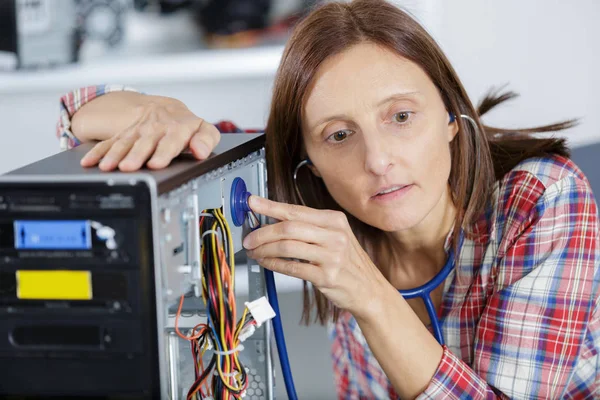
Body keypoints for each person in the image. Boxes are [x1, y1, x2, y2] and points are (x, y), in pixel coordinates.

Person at [55, 0, 600, 398]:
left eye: (401, 117)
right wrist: (159, 112)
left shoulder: (543, 198)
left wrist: (365, 288)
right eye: (339, 135)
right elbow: (76, 115)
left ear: (452, 120)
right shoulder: (312, 190)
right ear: (309, 161)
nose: (377, 160)